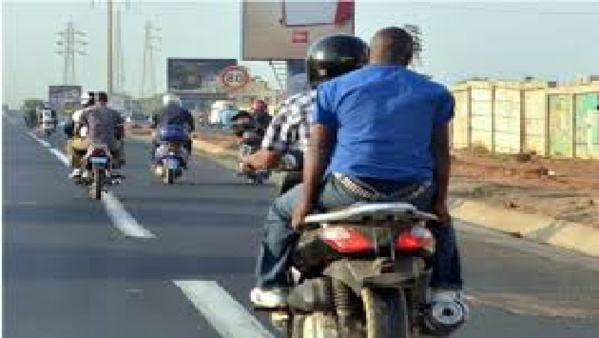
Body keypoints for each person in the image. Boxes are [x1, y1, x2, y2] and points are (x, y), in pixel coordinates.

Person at [250, 27, 466, 312]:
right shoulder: (436, 93)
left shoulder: (332, 89)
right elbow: (440, 152)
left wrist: (306, 201)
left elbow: (319, 148)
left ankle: (272, 286)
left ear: (368, 56)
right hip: (414, 193)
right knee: (443, 224)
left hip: (348, 191)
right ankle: (445, 291)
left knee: (280, 211)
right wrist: (439, 202)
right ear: (409, 57)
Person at [241, 36, 366, 196]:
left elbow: (269, 157)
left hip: (329, 186)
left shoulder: (300, 103)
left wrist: (249, 161)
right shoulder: (383, 101)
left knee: (279, 215)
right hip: (387, 184)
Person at [79, 91, 125, 175]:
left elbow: (82, 124)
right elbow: (120, 130)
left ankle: (79, 168)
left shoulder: (86, 111)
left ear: (95, 100)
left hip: (91, 141)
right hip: (109, 143)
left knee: (79, 148)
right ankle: (117, 164)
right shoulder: (115, 113)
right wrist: (120, 138)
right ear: (106, 100)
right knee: (120, 145)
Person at [150, 93, 194, 163]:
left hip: (164, 133)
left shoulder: (159, 110)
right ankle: (187, 158)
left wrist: (153, 126)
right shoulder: (184, 111)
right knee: (189, 141)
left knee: (154, 141)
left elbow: (153, 123)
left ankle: (153, 159)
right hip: (179, 134)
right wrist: (191, 129)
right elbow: (191, 123)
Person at [67, 92, 95, 178]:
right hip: (105, 141)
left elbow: (75, 129)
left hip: (87, 140)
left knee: (71, 143)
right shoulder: (104, 111)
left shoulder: (79, 113)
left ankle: (77, 169)